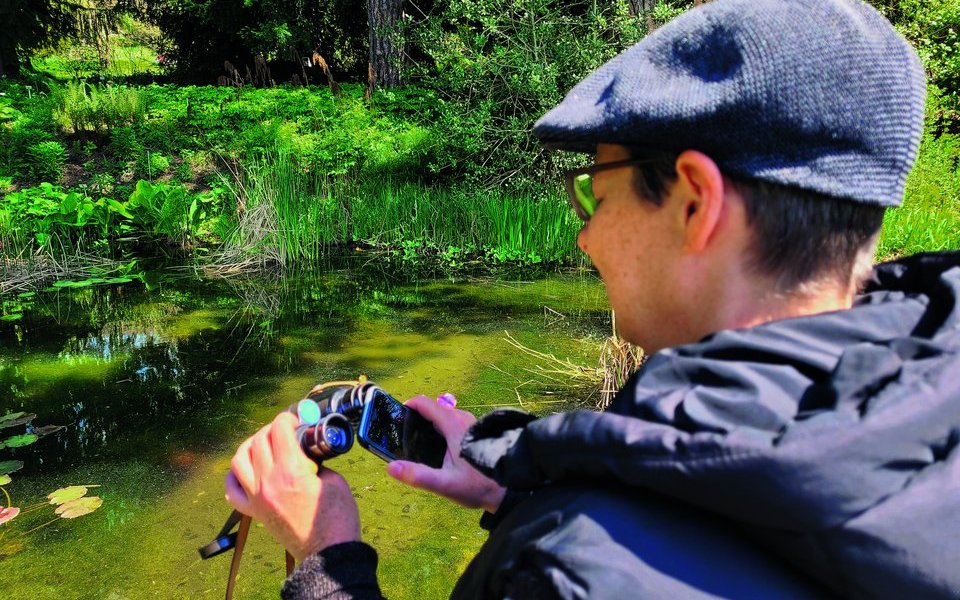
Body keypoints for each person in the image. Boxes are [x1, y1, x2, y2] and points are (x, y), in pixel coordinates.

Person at [225, 0, 960, 597]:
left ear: (696, 202)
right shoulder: (929, 398)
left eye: (595, 195)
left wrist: (328, 559)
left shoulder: (574, 576)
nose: (586, 239)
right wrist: (514, 484)